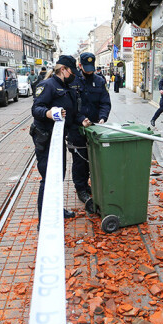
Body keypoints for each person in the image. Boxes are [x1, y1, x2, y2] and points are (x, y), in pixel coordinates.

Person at [30, 55, 91, 222]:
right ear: (63, 69)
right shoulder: (47, 85)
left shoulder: (67, 86)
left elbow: (72, 113)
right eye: (71, 71)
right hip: (45, 138)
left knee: (59, 174)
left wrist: (82, 120)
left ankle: (56, 209)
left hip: (58, 140)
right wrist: (48, 113)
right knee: (48, 177)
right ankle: (44, 221)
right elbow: (36, 109)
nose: (74, 76)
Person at [69, 52, 111, 204]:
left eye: (91, 68)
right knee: (80, 160)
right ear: (80, 66)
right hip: (77, 128)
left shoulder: (99, 81)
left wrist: (102, 117)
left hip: (94, 128)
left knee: (92, 159)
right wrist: (81, 120)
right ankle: (81, 188)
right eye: (86, 68)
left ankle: (89, 185)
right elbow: (70, 106)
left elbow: (105, 102)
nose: (89, 71)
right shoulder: (73, 81)